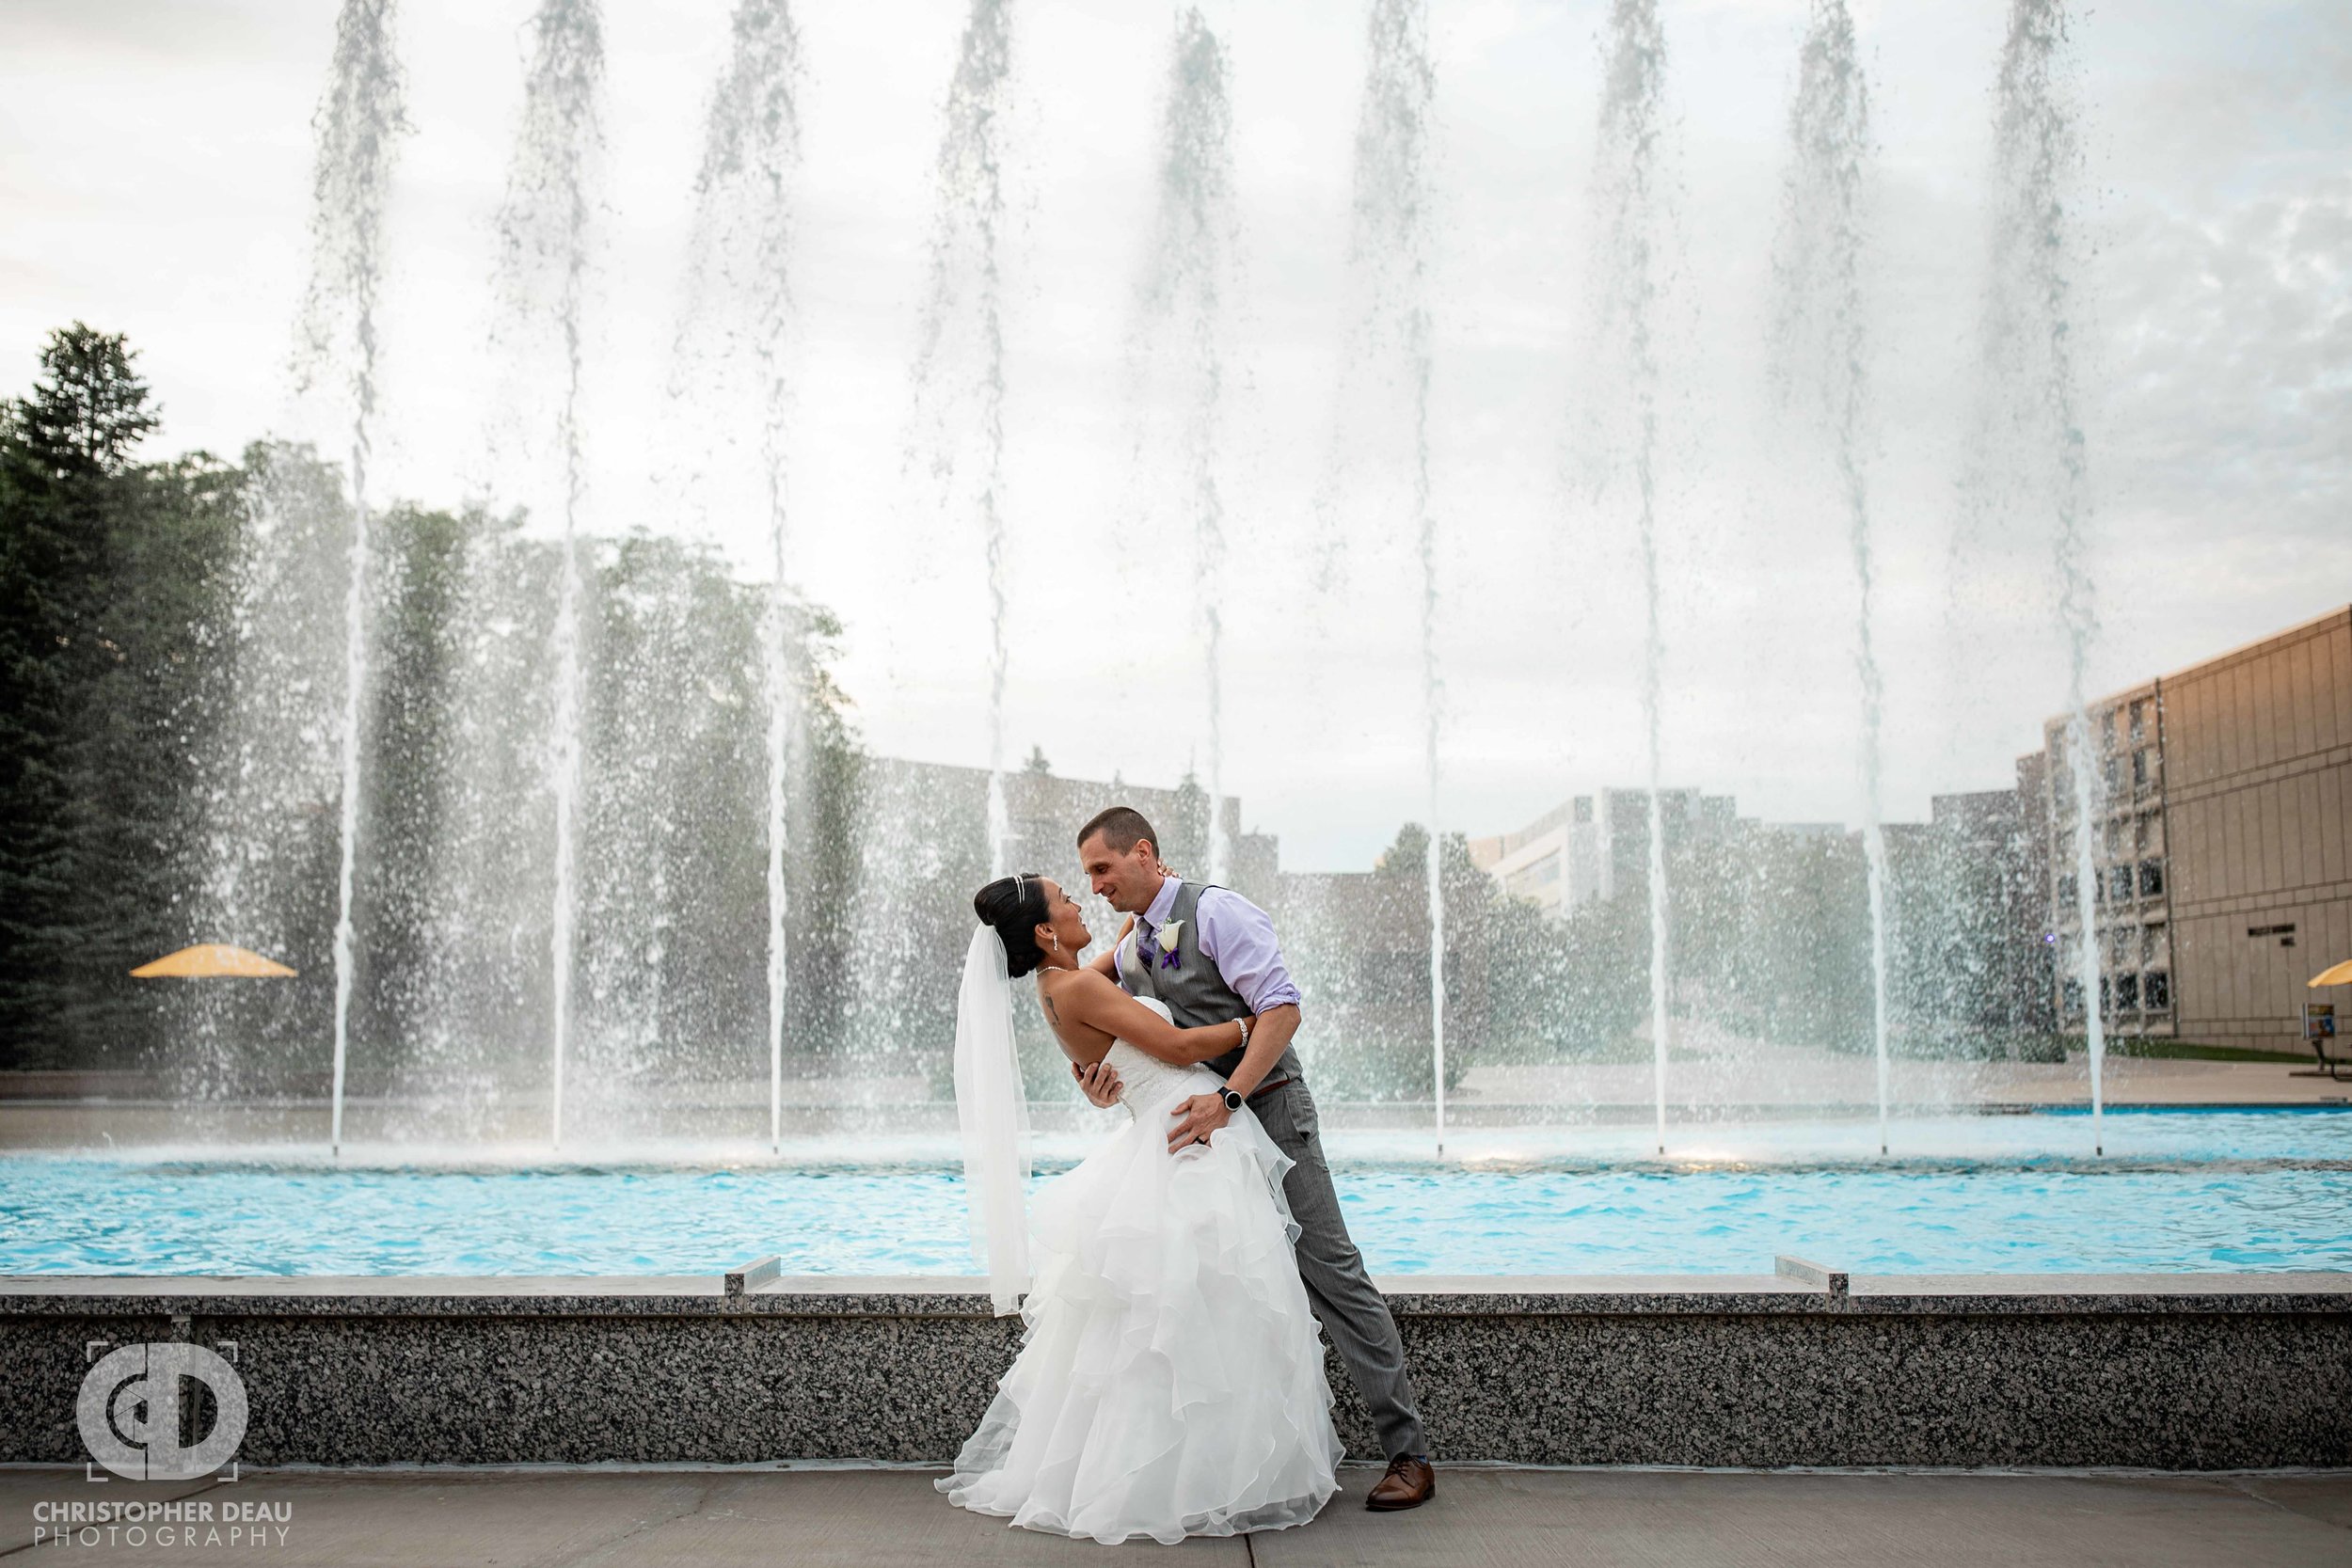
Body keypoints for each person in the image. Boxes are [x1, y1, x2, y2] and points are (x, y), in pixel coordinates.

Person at [936, 872, 1343, 1545]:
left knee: (1169, 1328)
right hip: (1187, 1136)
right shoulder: (1077, 985)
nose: (1080, 901)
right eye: (1066, 898)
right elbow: (1179, 1048)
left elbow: (1115, 957)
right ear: (1042, 930)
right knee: (1201, 1317)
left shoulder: (1057, 984)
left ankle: (1179, 1473)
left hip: (1163, 1133)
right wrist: (1258, 1019)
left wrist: (1144, 916)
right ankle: (1204, 1477)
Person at [1071, 804, 1437, 1511]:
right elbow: (1085, 1001)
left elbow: (1282, 1009)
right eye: (1088, 874)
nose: (1096, 885)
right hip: (1207, 1126)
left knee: (1331, 1271)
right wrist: (1095, 1077)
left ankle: (1410, 1453)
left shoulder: (1219, 912)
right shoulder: (1137, 938)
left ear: (1144, 853)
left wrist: (1229, 1102)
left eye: (1103, 869)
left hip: (1264, 1104)